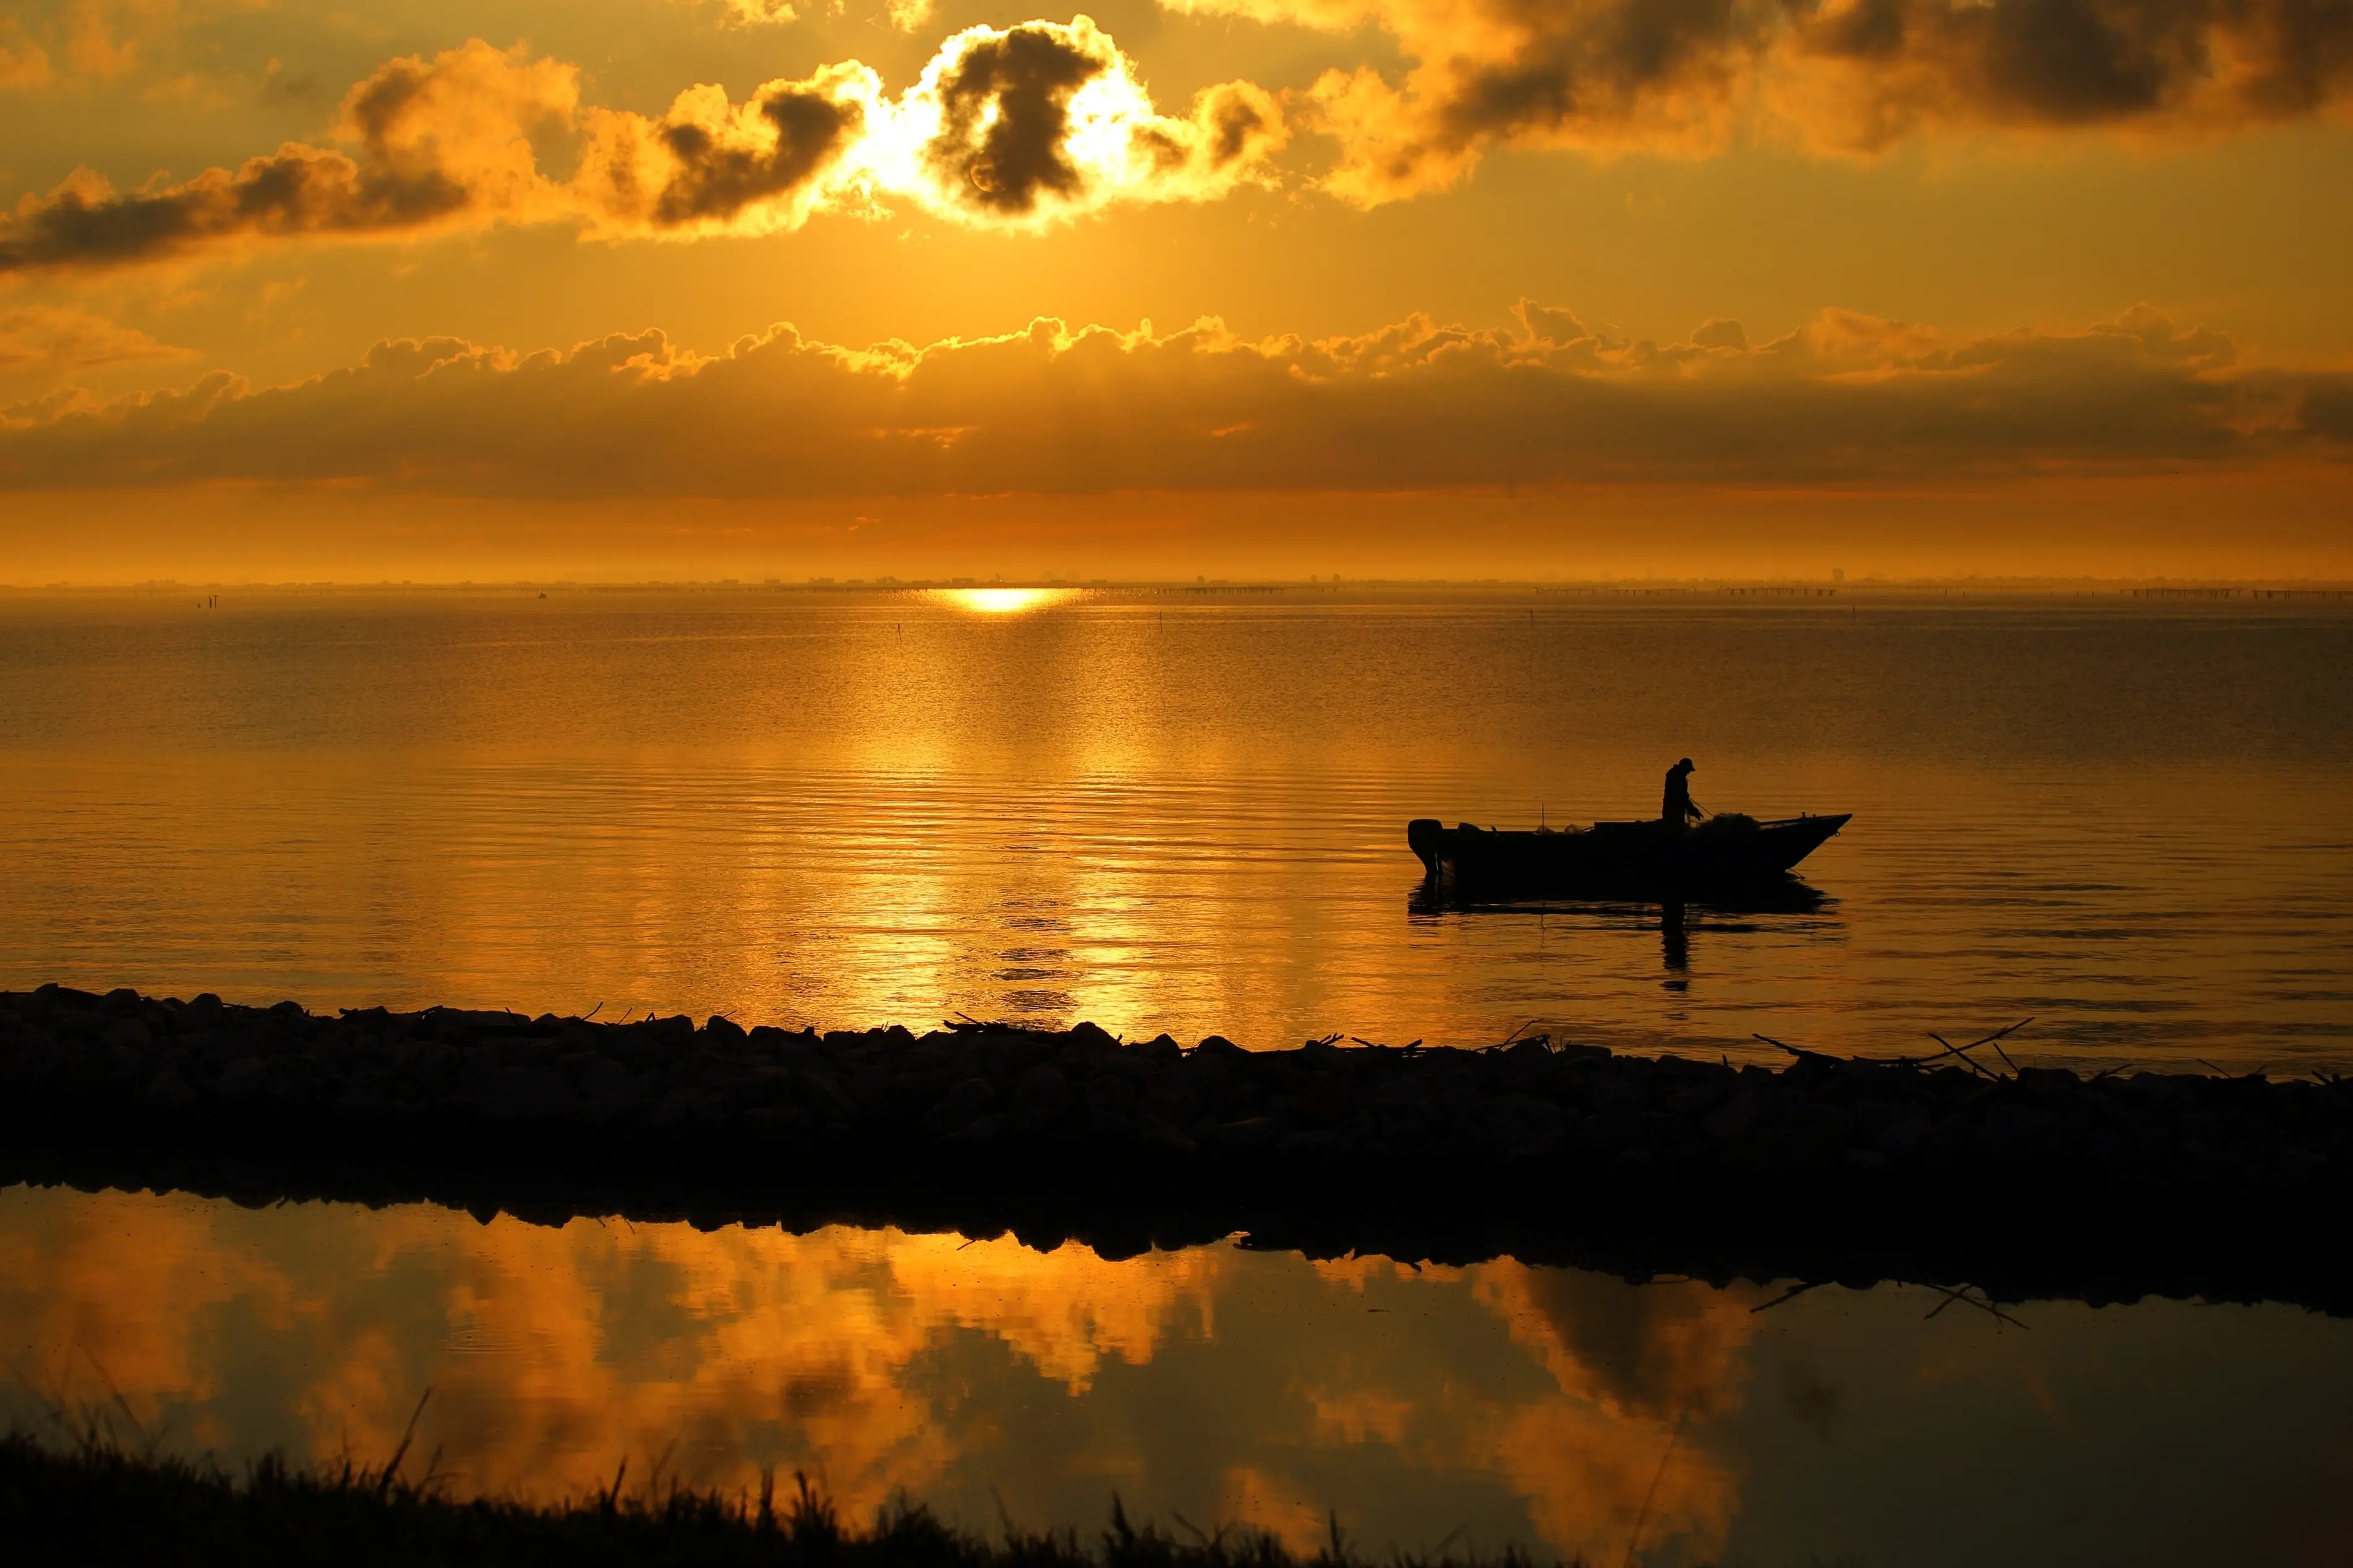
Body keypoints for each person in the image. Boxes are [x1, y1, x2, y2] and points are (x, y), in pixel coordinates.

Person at [1661, 758, 1705, 829]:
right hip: (1674, 811)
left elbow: (1683, 797)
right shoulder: (1679, 780)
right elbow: (1682, 798)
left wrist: (1692, 810)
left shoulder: (1674, 777)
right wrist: (1694, 811)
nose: (1688, 773)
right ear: (1684, 769)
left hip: (1669, 810)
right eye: (1688, 770)